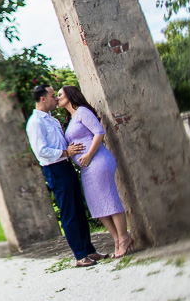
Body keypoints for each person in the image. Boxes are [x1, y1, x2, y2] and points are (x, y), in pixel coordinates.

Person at [26, 84, 106, 266]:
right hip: (55, 170)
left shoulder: (51, 119)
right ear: (42, 99)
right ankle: (80, 256)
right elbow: (41, 151)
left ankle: (89, 250)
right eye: (53, 96)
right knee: (69, 213)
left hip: (66, 166)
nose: (56, 99)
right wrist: (66, 152)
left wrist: (69, 154)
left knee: (78, 209)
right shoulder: (35, 122)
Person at [57, 85, 134, 258]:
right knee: (96, 204)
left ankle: (124, 239)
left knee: (109, 198)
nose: (58, 97)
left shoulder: (83, 111)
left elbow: (99, 132)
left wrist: (89, 155)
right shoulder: (71, 118)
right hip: (86, 168)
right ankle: (116, 240)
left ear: (70, 95)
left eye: (60, 94)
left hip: (98, 161)